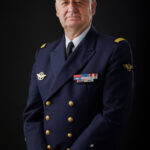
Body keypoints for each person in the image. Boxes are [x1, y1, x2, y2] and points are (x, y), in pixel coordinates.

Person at [23, 0, 134, 150]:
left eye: (79, 2)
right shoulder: (43, 53)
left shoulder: (113, 50)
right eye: (65, 3)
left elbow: (112, 115)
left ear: (92, 7)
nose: (71, 8)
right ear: (57, 10)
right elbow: (32, 116)